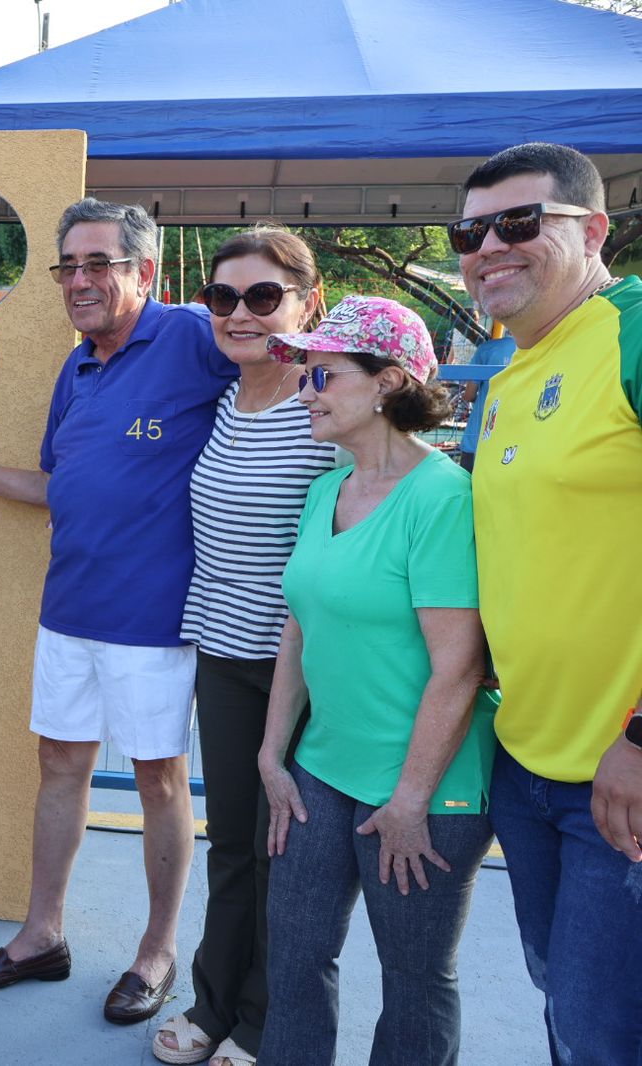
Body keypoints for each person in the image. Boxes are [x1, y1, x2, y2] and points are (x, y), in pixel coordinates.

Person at [0, 199, 236, 1024]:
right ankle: (41, 934)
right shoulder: (77, 364)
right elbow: (55, 486)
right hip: (68, 609)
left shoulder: (193, 337)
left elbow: (283, 376)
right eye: (67, 267)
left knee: (159, 780)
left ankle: (156, 953)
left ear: (143, 272)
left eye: (99, 265)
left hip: (155, 621)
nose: (79, 282)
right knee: (59, 767)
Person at [254, 296, 496, 1065]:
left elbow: (459, 668)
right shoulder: (327, 490)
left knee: (415, 979)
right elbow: (301, 624)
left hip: (426, 785)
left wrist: (411, 800)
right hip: (321, 767)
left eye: (322, 374)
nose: (306, 391)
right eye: (303, 376)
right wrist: (272, 754)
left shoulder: (441, 499)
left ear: (389, 381)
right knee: (292, 961)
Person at [458, 142, 642, 1066]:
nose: (490, 245)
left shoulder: (633, 332)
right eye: (472, 230)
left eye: (520, 223)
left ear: (594, 229)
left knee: (602, 1033)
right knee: (568, 1014)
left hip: (623, 776)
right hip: (525, 763)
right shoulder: (504, 378)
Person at [154, 228, 337, 1066]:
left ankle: (266, 1024)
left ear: (307, 304)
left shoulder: (326, 407)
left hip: (303, 671)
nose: (239, 313)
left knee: (283, 856)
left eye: (263, 296)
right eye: (222, 298)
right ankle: (214, 1003)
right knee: (234, 842)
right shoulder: (227, 400)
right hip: (223, 654)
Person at [453, 333, 514, 472]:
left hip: (477, 437)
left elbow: (469, 395)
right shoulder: (536, 349)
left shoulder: (487, 348)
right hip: (513, 444)